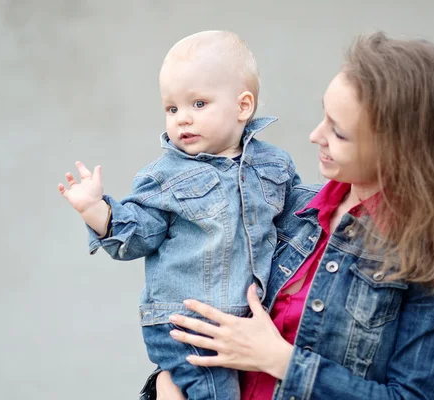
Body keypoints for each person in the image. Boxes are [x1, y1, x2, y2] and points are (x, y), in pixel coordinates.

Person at [145, 32, 434, 400]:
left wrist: (282, 361)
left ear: (402, 150)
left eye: (339, 132)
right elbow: (209, 315)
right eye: (324, 117)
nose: (316, 136)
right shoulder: (291, 209)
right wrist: (164, 382)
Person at [58, 30, 300, 400]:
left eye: (198, 104)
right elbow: (138, 235)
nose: (182, 119)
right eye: (172, 109)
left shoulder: (274, 164)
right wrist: (96, 210)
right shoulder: (165, 176)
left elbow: (302, 218)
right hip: (188, 323)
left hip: (246, 321)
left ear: (243, 106)